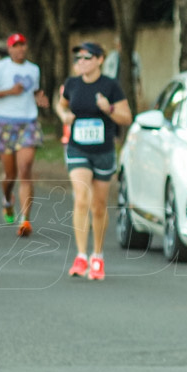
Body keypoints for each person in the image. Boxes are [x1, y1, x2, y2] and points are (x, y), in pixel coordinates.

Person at [56, 41, 132, 281]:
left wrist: (107, 108)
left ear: (100, 59)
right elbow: (62, 103)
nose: (81, 62)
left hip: (103, 151)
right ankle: (81, 255)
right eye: (78, 58)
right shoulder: (72, 84)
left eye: (86, 57)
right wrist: (64, 115)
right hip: (78, 149)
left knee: (98, 206)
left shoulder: (111, 86)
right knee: (81, 198)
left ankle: (97, 256)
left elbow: (126, 118)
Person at [0, 32, 48, 237]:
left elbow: (36, 91)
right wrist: (9, 92)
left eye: (23, 45)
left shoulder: (33, 70)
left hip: (28, 123)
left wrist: (40, 98)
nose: (20, 49)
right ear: (9, 49)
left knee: (25, 168)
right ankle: (7, 198)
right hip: (5, 123)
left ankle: (25, 220)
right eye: (15, 46)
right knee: (10, 174)